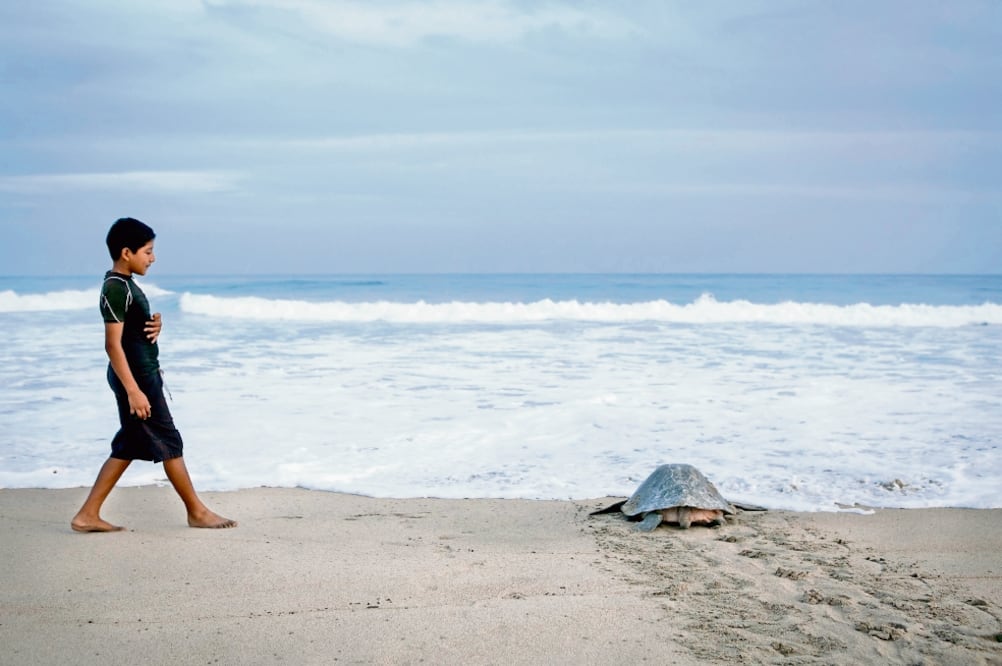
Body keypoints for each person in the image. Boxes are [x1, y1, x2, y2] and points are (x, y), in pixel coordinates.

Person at [71, 217, 237, 532]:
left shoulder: (125, 286)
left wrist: (153, 327)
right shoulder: (116, 288)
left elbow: (131, 335)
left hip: (140, 374)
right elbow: (112, 345)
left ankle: (87, 514)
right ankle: (197, 512)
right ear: (126, 252)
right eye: (147, 251)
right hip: (136, 378)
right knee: (169, 439)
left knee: (129, 444)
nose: (153, 258)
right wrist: (134, 390)